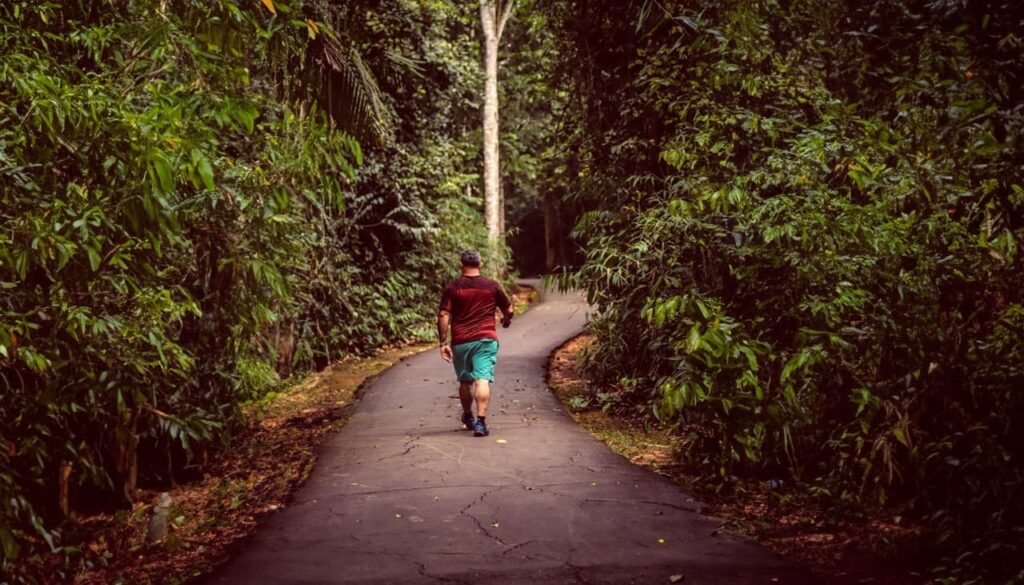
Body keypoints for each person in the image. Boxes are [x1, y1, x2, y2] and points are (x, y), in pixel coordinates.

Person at [437, 250, 514, 437]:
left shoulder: (452, 288)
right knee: (482, 379)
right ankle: (481, 423)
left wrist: (442, 342)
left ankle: (468, 416)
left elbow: (443, 315)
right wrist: (506, 320)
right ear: (481, 264)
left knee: (465, 381)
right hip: (486, 340)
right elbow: (509, 309)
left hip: (461, 341)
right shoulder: (492, 286)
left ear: (460, 264)